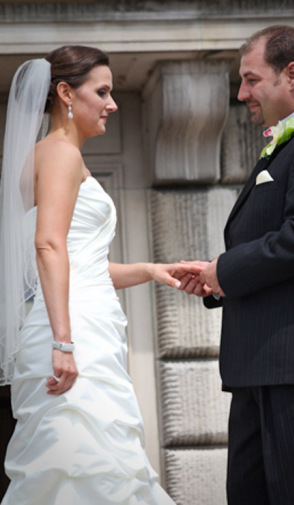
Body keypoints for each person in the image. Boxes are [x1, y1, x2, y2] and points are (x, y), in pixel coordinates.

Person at [0, 46, 186, 504]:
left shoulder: (51, 156)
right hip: (73, 334)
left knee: (92, 461)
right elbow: (48, 246)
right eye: (101, 91)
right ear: (65, 92)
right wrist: (63, 343)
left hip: (77, 322)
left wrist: (148, 269)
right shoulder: (60, 153)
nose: (112, 103)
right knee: (87, 461)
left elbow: (77, 263)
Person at [177, 25, 294, 503]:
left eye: (250, 79)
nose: (242, 92)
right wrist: (217, 278)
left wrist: (223, 270)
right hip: (256, 367)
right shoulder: (283, 142)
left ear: (292, 75)